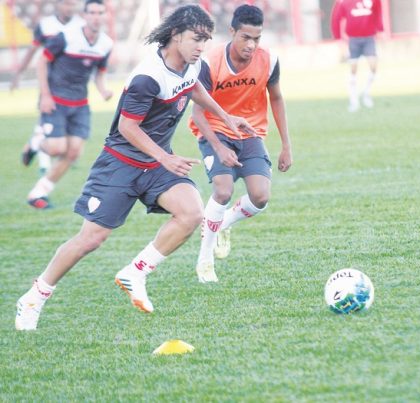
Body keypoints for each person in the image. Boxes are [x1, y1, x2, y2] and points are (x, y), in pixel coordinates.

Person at [15, 4, 256, 331]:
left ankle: (135, 272)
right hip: (120, 165)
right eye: (196, 39)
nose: (202, 46)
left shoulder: (191, 64)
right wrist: (166, 158)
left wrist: (226, 116)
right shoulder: (148, 77)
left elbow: (194, 86)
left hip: (155, 162)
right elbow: (128, 128)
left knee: (191, 213)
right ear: (175, 35)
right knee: (90, 240)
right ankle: (35, 296)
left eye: (206, 39)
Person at [188, 4, 292, 283]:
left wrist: (286, 145)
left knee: (261, 197)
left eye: (257, 38)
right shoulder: (210, 62)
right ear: (231, 31)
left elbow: (277, 98)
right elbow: (197, 111)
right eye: (245, 37)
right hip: (215, 130)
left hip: (250, 132)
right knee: (223, 190)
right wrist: (219, 147)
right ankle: (205, 261)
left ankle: (223, 224)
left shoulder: (269, 60)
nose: (251, 44)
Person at [24, 0, 113, 210]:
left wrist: (103, 90)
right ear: (84, 15)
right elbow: (42, 61)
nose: (96, 16)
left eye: (100, 12)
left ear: (105, 16)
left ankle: (39, 192)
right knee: (56, 148)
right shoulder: (66, 36)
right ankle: (36, 142)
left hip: (80, 104)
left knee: (73, 153)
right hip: (55, 100)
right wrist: (45, 95)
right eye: (92, 12)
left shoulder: (106, 44)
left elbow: (99, 72)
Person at [12, 0, 84, 174]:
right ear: (58, 5)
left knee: (59, 124)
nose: (70, 7)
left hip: (72, 87)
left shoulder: (81, 25)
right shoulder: (45, 25)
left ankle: (37, 145)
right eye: (66, 4)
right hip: (51, 82)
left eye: (72, 4)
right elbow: (32, 50)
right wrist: (19, 73)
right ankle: (44, 164)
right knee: (48, 120)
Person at [331, 0, 383, 112]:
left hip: (369, 38)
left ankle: (366, 93)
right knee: (353, 69)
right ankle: (353, 100)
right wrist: (338, 38)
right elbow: (336, 19)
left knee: (374, 66)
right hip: (353, 39)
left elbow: (378, 13)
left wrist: (380, 29)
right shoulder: (343, 2)